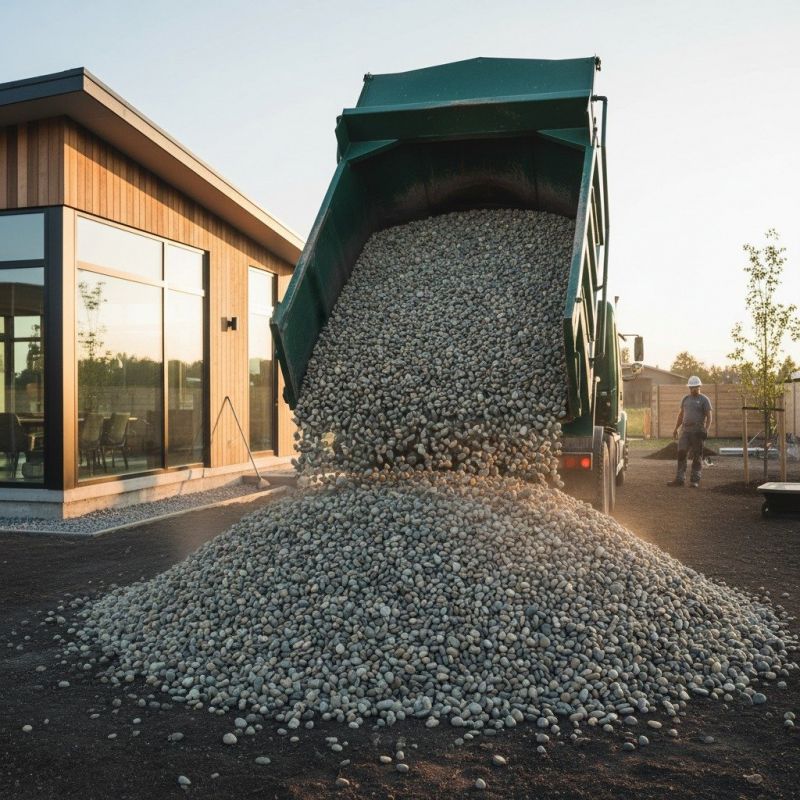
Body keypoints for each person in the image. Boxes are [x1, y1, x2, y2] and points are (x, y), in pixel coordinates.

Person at [668, 375, 713, 488]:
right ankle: (679, 479)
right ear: (689, 387)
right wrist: (675, 429)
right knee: (681, 453)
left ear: (699, 386)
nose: (694, 389)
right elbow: (681, 415)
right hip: (685, 430)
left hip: (697, 431)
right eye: (692, 387)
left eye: (696, 387)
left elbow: (709, 416)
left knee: (697, 455)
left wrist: (706, 430)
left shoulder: (704, 400)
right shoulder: (685, 399)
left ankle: (694, 480)